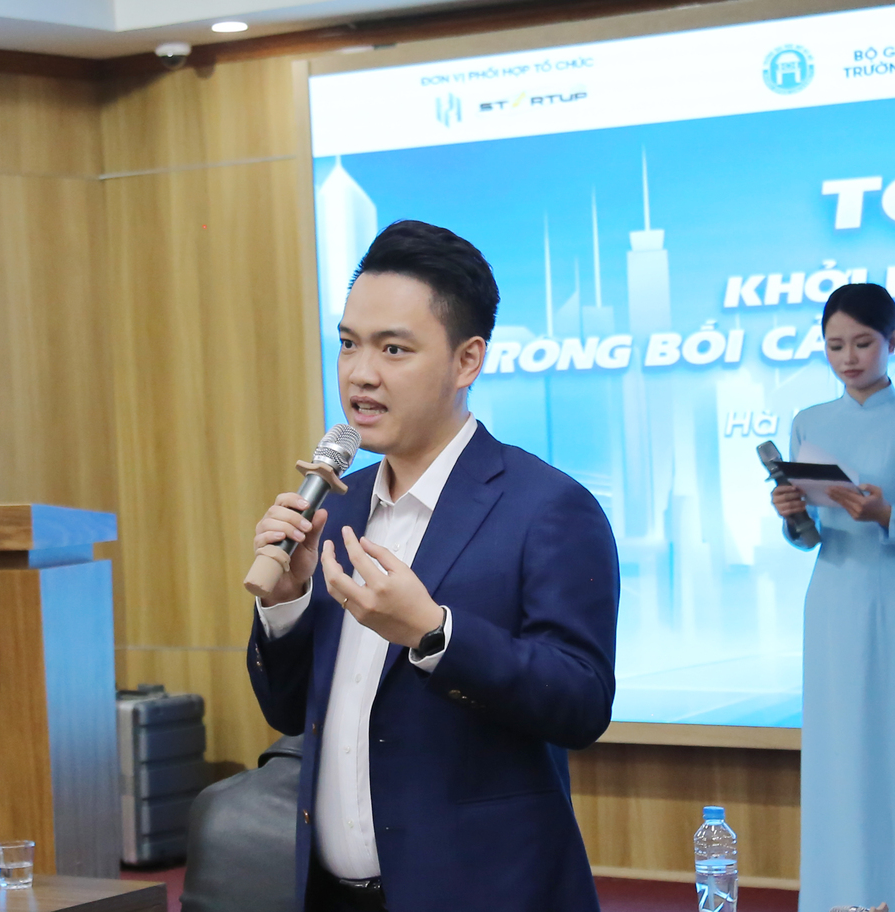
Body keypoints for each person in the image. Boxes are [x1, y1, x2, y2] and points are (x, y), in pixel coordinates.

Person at [246, 219, 619, 912]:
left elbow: (582, 703)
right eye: (349, 343)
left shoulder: (546, 507)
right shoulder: (337, 504)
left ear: (466, 361)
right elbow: (289, 711)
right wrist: (286, 602)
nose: (360, 373)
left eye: (393, 349)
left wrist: (435, 634)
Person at [771, 283, 895, 912]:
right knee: (838, 755)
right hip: (832, 601)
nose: (849, 358)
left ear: (893, 341)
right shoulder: (809, 422)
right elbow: (810, 537)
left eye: (862, 343)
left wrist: (889, 516)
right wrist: (792, 514)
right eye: (835, 346)